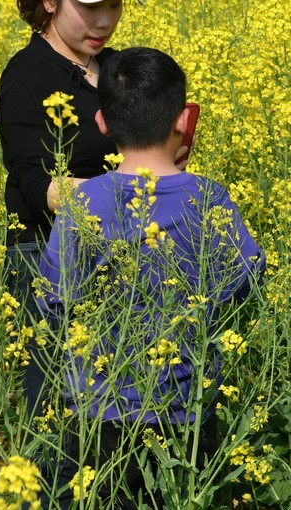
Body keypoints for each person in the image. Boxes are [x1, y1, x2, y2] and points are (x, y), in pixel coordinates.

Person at [36, 47, 264, 508]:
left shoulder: (84, 202)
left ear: (102, 123)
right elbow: (248, 278)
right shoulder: (208, 197)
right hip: (184, 403)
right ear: (183, 120)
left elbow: (53, 297)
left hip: (99, 407)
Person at [0, 0, 145, 416]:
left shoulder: (122, 68)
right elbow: (38, 186)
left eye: (115, 4)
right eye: (90, 4)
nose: (105, 20)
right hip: (46, 261)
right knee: (57, 424)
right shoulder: (29, 74)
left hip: (126, 256)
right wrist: (134, 197)